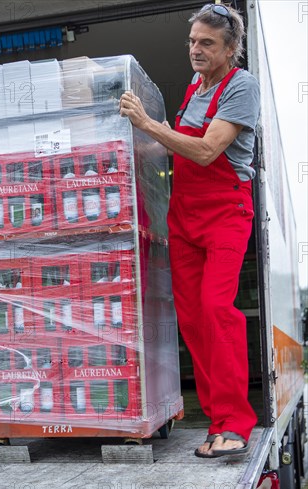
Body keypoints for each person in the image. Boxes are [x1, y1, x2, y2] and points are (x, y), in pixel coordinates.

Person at [120, 3, 260, 458]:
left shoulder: (241, 88)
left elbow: (204, 152)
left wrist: (148, 124)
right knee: (195, 322)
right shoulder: (193, 89)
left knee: (217, 310)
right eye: (192, 41)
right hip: (183, 215)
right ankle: (217, 421)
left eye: (207, 43)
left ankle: (237, 425)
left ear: (231, 48)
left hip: (224, 212)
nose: (196, 50)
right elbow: (172, 150)